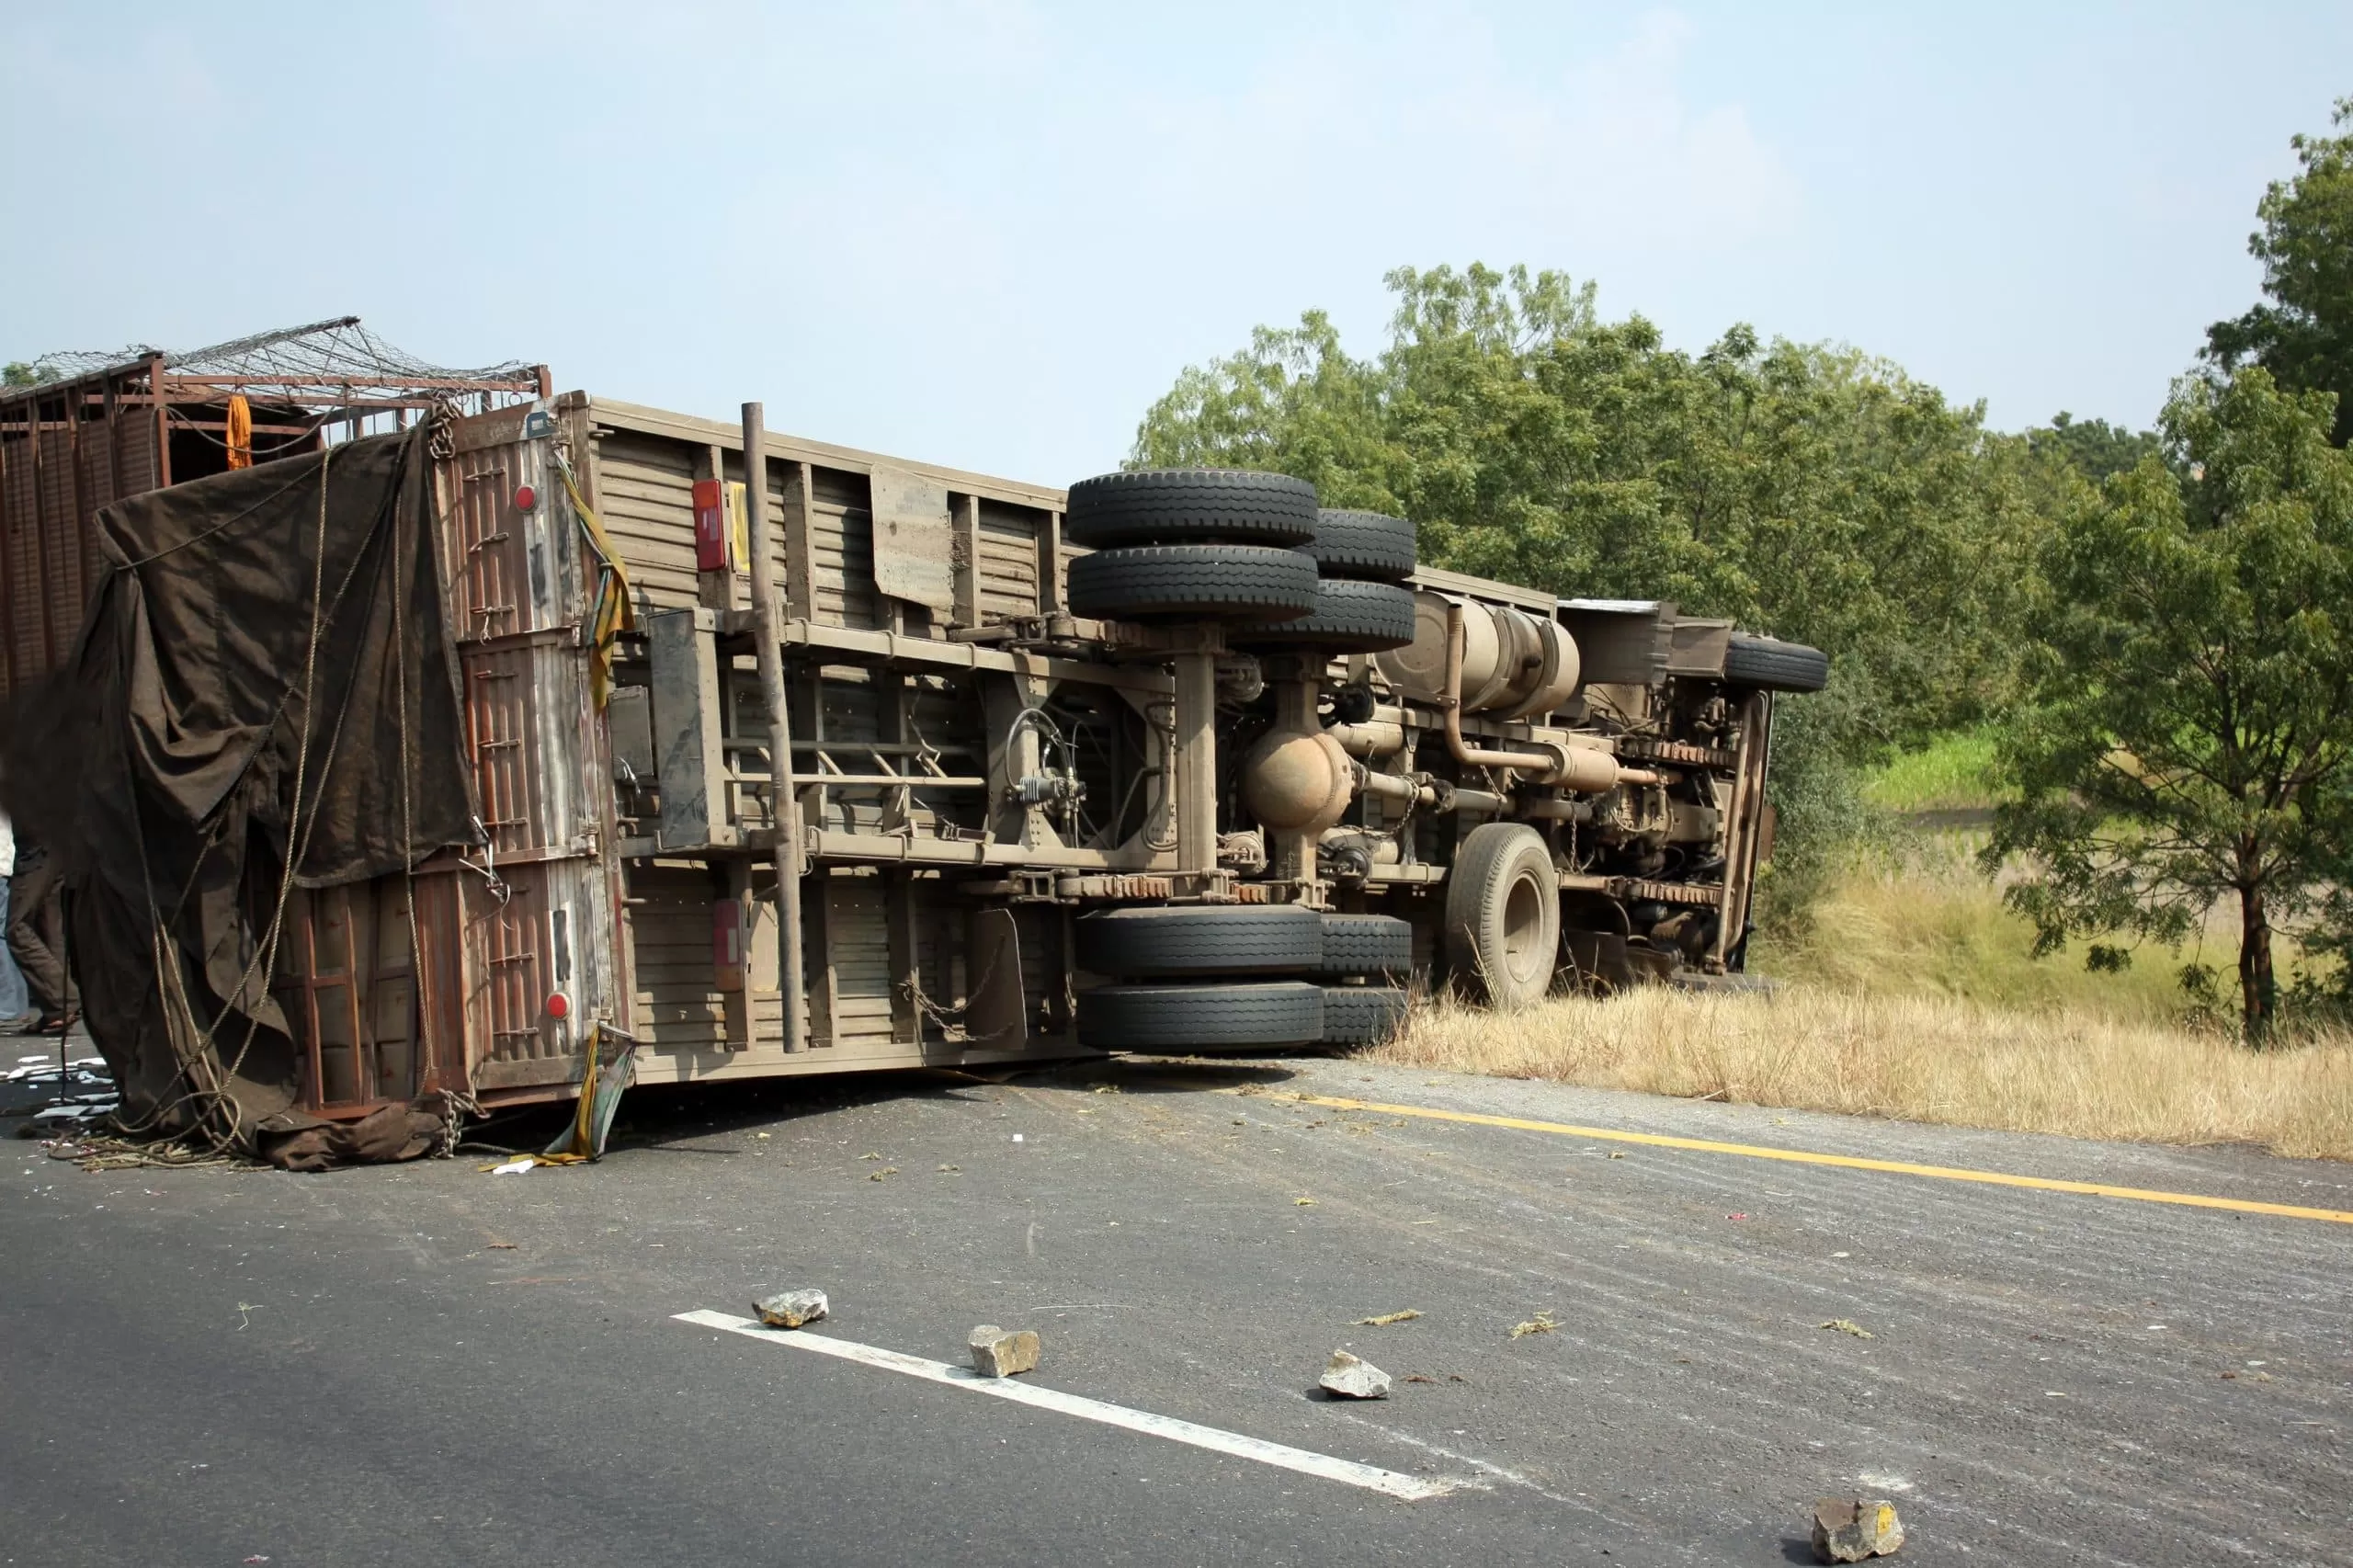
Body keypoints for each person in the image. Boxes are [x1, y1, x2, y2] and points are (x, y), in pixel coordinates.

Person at [6, 832, 74, 1034]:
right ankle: (57, 1010)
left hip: (36, 848)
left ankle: (63, 1002)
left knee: (16, 927)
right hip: (55, 844)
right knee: (49, 925)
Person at [0, 809, 30, 1032]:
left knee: (2, 936)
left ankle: (8, 1006)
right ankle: (17, 1006)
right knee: (5, 934)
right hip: (5, 865)